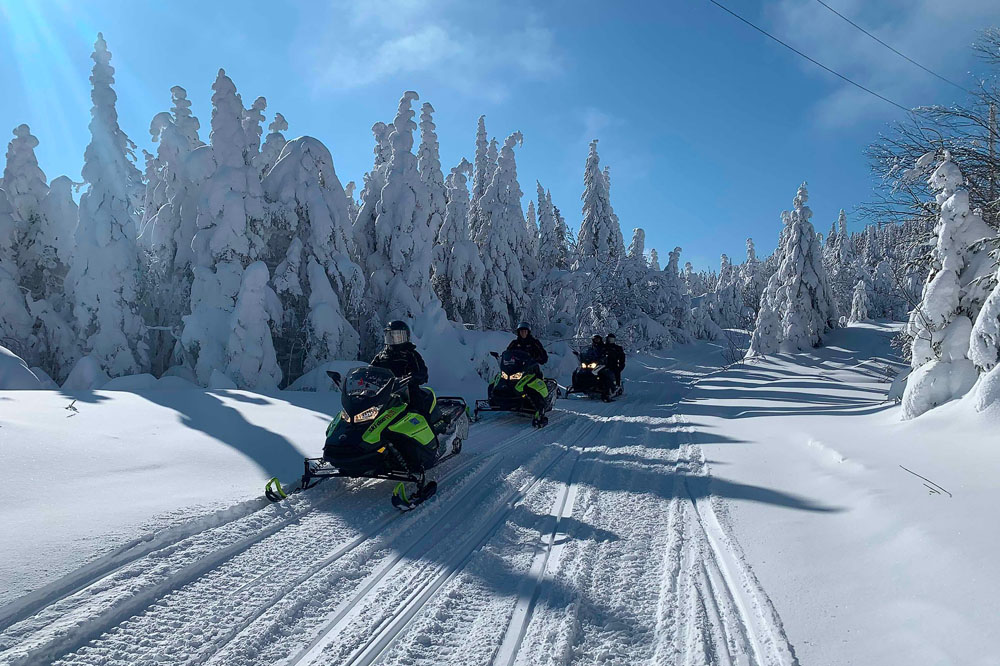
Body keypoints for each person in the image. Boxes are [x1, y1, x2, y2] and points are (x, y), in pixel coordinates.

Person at [371, 320, 435, 422]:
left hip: (406, 392)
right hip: (384, 392)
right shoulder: (382, 356)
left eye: (397, 336)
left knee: (418, 408)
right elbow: (370, 370)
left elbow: (422, 372)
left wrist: (413, 377)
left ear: (405, 337)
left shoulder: (410, 354)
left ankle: (427, 428)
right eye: (390, 336)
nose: (393, 339)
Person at [506, 321, 550, 425]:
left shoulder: (534, 343)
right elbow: (507, 353)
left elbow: (544, 356)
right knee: (504, 382)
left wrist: (538, 358)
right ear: (518, 332)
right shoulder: (514, 343)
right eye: (521, 331)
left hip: (531, 371)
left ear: (528, 332)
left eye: (525, 331)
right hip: (516, 371)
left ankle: (540, 407)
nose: (523, 333)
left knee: (531, 388)